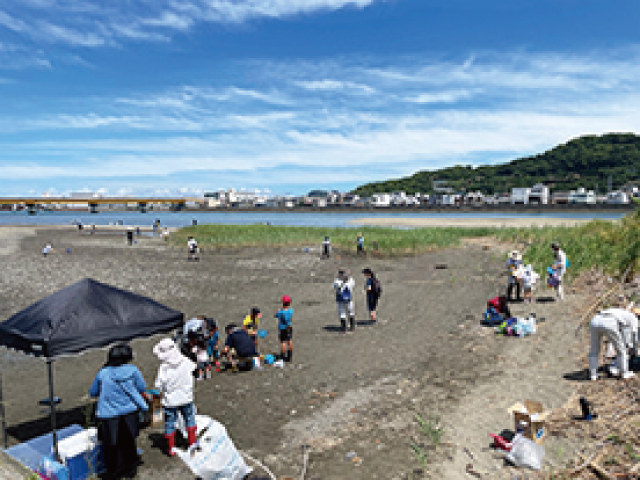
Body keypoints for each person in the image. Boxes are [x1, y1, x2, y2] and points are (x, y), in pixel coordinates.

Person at [89, 344, 147, 480]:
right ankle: (130, 469)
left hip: (108, 415)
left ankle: (114, 472)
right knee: (129, 441)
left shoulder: (102, 373)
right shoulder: (133, 370)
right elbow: (142, 387)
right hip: (129, 413)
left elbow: (93, 393)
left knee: (111, 445)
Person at [153, 338, 198, 457]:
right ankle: (192, 443)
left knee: (170, 423)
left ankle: (171, 448)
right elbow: (194, 369)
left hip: (170, 400)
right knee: (190, 419)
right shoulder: (185, 361)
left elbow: (159, 385)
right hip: (186, 397)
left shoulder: (164, 368)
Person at [589, 307, 638, 381]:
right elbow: (635, 336)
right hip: (609, 321)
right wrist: (635, 350)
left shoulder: (623, 313)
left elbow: (623, 333)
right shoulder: (633, 318)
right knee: (621, 351)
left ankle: (593, 375)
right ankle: (625, 374)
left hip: (595, 320)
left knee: (594, 350)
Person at [275, 295, 294, 362]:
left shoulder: (281, 311)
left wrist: (278, 311)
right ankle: (290, 356)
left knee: (283, 342)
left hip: (282, 328)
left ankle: (283, 356)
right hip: (289, 327)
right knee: (290, 340)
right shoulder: (291, 310)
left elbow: (275, 315)